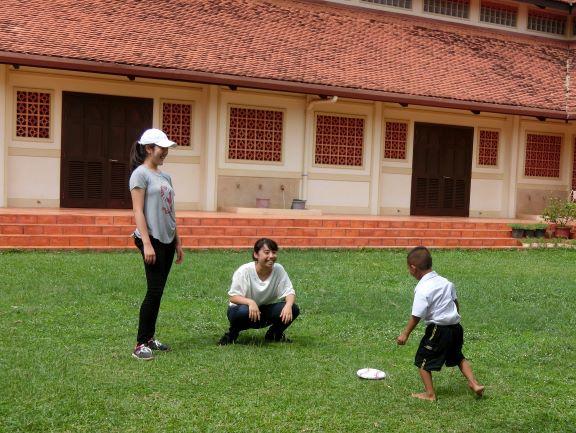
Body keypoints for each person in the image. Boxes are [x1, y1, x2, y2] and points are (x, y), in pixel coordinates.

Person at [396, 246, 484, 401]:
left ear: (413, 268)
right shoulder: (445, 282)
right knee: (458, 357)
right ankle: (474, 383)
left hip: (438, 330)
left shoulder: (423, 288)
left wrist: (405, 334)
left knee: (422, 362)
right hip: (456, 328)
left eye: (409, 270)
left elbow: (416, 316)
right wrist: (454, 317)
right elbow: (455, 303)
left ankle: (430, 394)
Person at [129, 128, 184, 360]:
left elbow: (170, 211)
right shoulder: (140, 175)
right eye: (162, 148)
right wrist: (147, 243)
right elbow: (138, 211)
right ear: (149, 148)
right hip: (151, 240)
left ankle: (150, 338)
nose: (165, 152)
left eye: (166, 149)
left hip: (168, 240)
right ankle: (140, 343)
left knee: (158, 291)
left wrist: (178, 242)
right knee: (153, 291)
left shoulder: (165, 177)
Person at [218, 238, 300, 345]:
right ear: (256, 254)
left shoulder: (278, 269)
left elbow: (289, 292)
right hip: (242, 311)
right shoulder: (244, 271)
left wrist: (288, 305)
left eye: (274, 252)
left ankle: (274, 335)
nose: (271, 256)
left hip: (263, 312)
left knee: (293, 308)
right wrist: (250, 302)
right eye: (267, 252)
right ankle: (232, 334)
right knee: (243, 311)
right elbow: (233, 297)